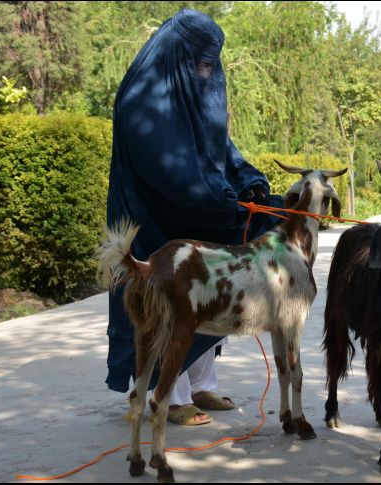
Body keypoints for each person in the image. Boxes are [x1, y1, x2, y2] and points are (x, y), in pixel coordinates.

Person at [105, 9, 284, 426]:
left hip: (192, 213)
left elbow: (220, 147)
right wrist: (220, 200)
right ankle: (169, 396)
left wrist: (248, 182)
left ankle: (200, 384)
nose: (207, 71)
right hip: (155, 219)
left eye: (212, 64)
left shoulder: (193, 90)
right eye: (200, 62)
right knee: (170, 303)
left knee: (207, 294)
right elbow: (168, 170)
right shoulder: (142, 99)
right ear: (178, 55)